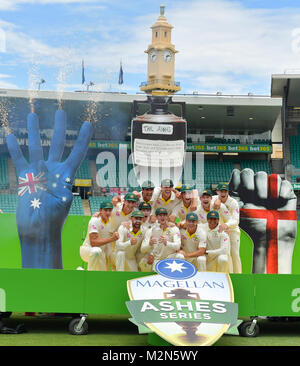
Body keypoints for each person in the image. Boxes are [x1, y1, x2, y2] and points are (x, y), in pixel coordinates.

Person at [80, 201, 119, 271]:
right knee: (96, 251)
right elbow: (93, 242)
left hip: (102, 252)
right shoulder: (94, 220)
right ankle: (89, 275)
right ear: (100, 210)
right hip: (88, 249)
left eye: (110, 210)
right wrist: (111, 239)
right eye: (105, 210)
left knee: (114, 255)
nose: (108, 213)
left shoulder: (112, 221)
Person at [211, 183, 241, 273]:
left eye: (225, 191)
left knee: (235, 253)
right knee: (222, 254)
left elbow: (236, 220)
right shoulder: (213, 199)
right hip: (218, 230)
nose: (223, 193)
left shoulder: (233, 202)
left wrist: (227, 225)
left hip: (232, 230)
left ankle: (238, 274)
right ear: (217, 192)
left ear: (228, 192)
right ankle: (224, 273)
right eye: (221, 191)